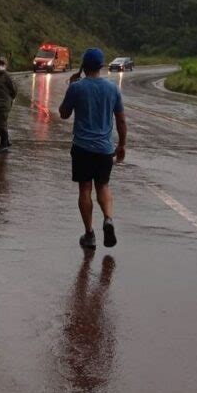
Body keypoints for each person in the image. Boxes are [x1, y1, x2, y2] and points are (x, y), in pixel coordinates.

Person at [59, 47, 127, 249]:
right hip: (105, 149)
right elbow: (121, 121)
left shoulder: (77, 87)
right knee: (103, 186)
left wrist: (70, 86)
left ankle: (89, 234)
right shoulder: (113, 89)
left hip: (82, 148)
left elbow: (63, 114)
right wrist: (122, 144)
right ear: (101, 66)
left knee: (85, 189)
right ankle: (108, 218)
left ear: (83, 67)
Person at [0, 57, 17, 153]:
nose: (0, 66)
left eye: (2, 64)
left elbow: (14, 90)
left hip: (3, 104)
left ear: (5, 66)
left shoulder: (7, 76)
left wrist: (11, 99)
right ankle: (6, 139)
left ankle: (4, 145)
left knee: (1, 125)